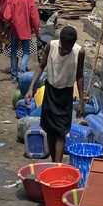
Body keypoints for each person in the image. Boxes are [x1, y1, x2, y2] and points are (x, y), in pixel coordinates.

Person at [25, 25, 85, 162]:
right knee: (50, 130)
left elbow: (80, 76)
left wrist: (81, 101)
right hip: (50, 92)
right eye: (63, 48)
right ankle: (54, 163)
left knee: (61, 132)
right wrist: (31, 87)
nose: (64, 52)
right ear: (60, 42)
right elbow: (41, 66)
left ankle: (57, 166)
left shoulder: (79, 52)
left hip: (65, 94)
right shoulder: (51, 46)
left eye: (67, 50)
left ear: (74, 44)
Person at [4, 0, 39, 83]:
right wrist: (37, 31)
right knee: (26, 52)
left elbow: (7, 16)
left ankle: (14, 76)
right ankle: (22, 74)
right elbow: (34, 17)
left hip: (14, 29)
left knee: (14, 52)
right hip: (26, 29)